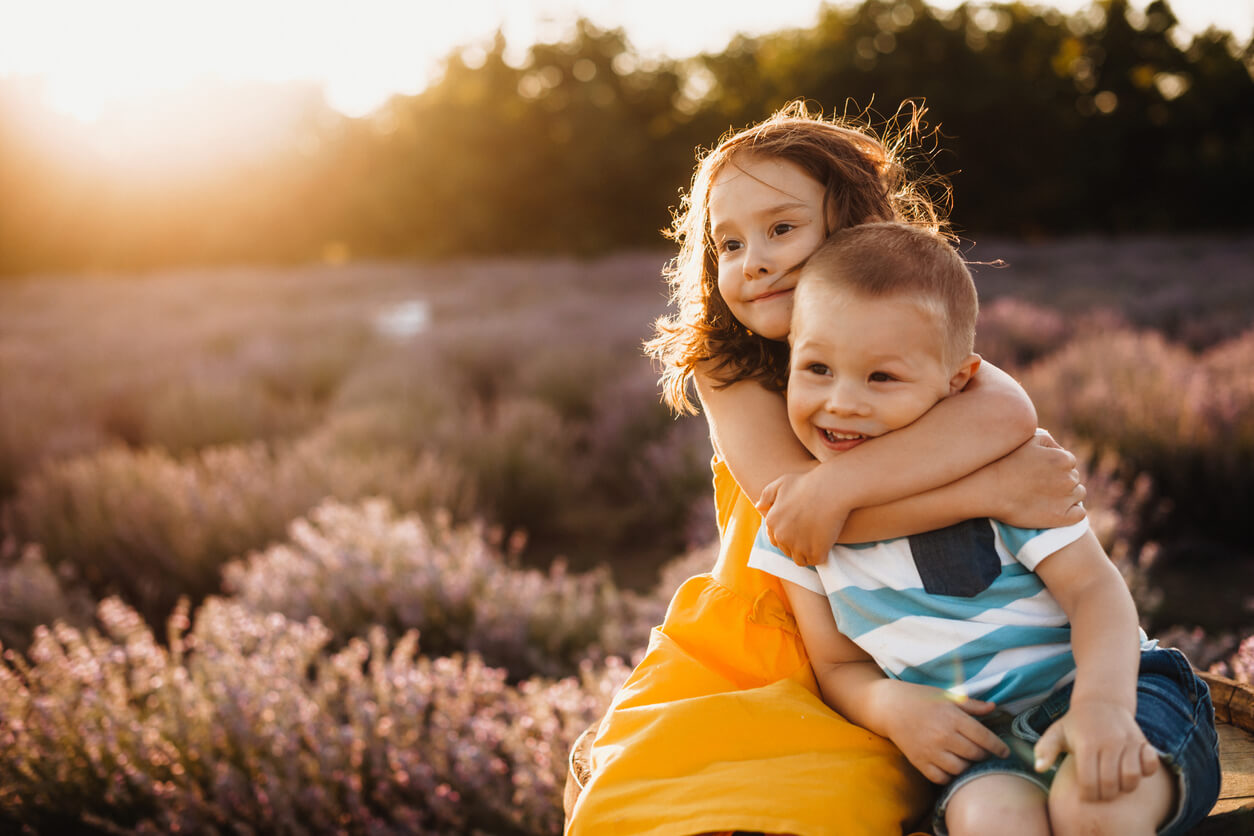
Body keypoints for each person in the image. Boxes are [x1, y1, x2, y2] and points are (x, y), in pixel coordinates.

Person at [564, 102, 1087, 836]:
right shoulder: (728, 370)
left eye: (782, 229)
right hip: (761, 646)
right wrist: (986, 488)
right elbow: (803, 524)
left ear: (854, 231)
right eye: (730, 244)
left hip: (897, 638)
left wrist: (845, 488)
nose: (757, 260)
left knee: (849, 802)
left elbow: (1005, 413)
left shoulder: (901, 341)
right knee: (659, 799)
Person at [748, 221, 1220, 836]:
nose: (842, 402)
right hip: (983, 738)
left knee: (1095, 809)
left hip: (1113, 689)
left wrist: (1103, 707)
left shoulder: (1005, 473)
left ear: (957, 382)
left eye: (881, 377)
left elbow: (1094, 591)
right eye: (816, 368)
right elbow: (838, 666)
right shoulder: (797, 524)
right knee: (990, 822)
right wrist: (891, 706)